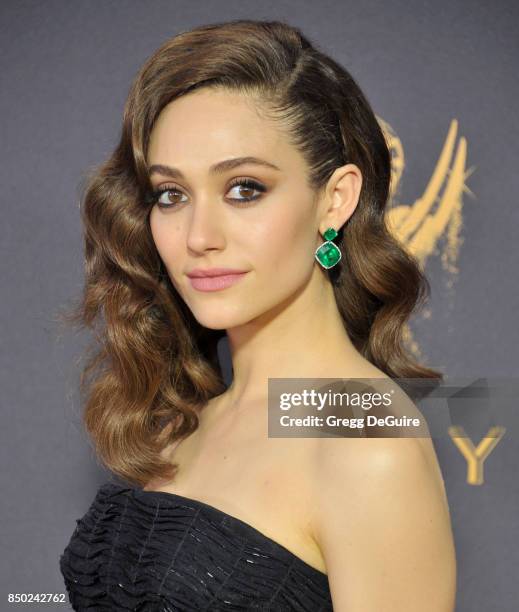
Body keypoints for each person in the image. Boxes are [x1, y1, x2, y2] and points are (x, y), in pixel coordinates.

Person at [59, 18, 456, 611]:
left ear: (335, 199)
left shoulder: (364, 437)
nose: (199, 236)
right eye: (172, 194)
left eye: (244, 188)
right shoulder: (184, 418)